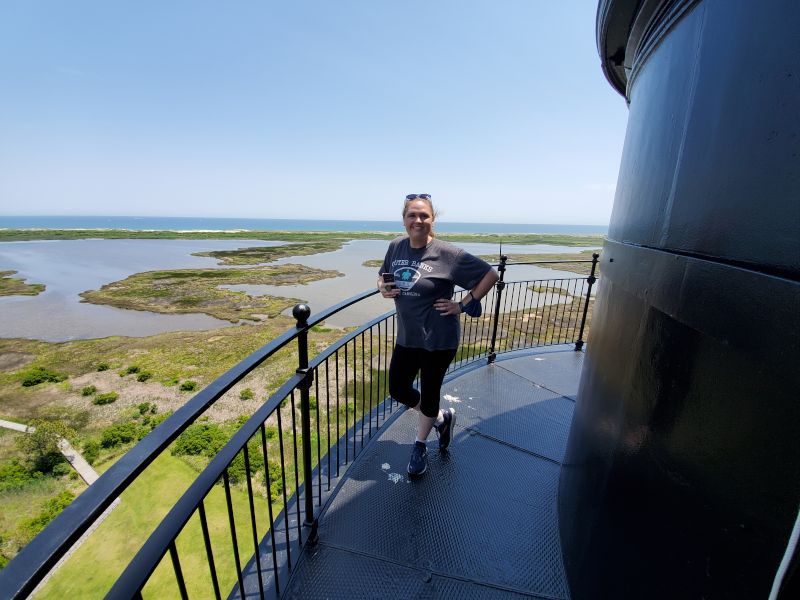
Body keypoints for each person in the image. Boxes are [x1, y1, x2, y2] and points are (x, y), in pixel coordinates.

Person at [378, 194, 499, 477]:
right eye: (412, 215)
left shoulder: (448, 254)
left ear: (432, 219)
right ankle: (442, 419)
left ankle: (420, 444)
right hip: (407, 337)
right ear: (404, 219)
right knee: (398, 388)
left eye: (424, 216)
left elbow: (490, 275)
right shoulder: (396, 246)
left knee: (430, 392)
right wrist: (382, 288)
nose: (418, 221)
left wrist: (462, 304)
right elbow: (383, 275)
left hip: (438, 340)